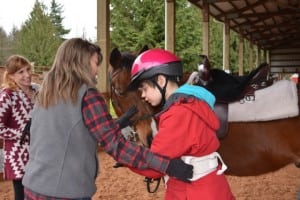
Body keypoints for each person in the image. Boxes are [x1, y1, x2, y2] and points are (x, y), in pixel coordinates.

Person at [22, 38, 193, 200]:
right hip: (65, 191)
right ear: (80, 62)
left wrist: (119, 122)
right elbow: (115, 145)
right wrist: (166, 165)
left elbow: (74, 130)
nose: (97, 71)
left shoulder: (45, 93)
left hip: (32, 186)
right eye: (96, 63)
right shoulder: (87, 94)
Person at [127, 48, 235, 200]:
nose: (143, 96)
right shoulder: (192, 101)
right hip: (207, 187)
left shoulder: (178, 113)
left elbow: (154, 165)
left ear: (161, 81)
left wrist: (121, 151)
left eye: (144, 89)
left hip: (194, 192)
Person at [0, 55, 39, 200]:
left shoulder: (37, 91)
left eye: (28, 69)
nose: (27, 75)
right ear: (11, 76)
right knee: (22, 196)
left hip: (39, 153)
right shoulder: (7, 96)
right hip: (18, 157)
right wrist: (22, 132)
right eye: (20, 72)